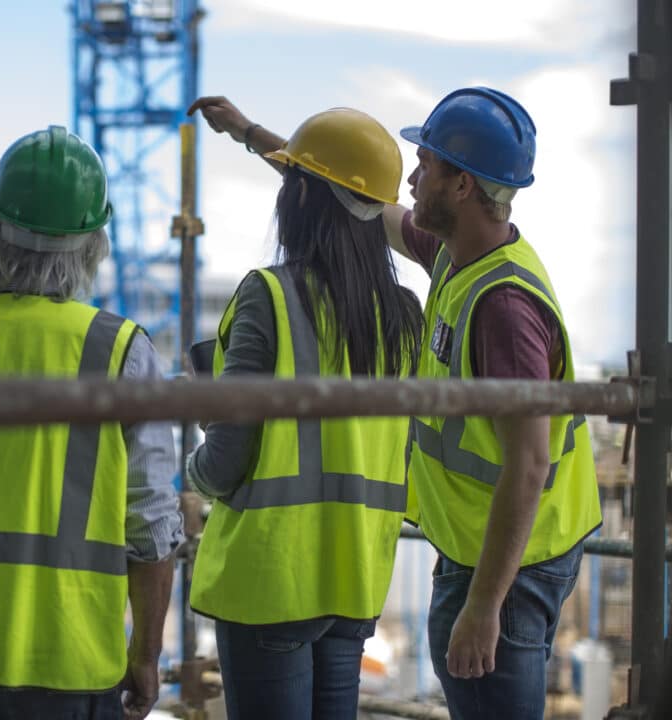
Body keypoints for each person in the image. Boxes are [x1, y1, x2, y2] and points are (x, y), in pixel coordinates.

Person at [189, 89, 602, 719]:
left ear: (461, 186)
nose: (409, 179)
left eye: (426, 165)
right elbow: (350, 197)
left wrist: (485, 609)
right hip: (467, 551)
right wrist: (251, 134)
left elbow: (529, 464)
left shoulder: (503, 307)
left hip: (514, 565)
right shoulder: (459, 257)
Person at [0, 126, 184, 720]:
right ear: (94, 245)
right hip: (64, 658)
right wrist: (146, 656)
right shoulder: (118, 350)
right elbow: (152, 523)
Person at [185, 107, 424, 719]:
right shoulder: (402, 315)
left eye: (292, 181)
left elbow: (225, 459)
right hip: (356, 577)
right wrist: (249, 134)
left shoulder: (270, 296)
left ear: (303, 200)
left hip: (272, 580)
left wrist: (194, 467)